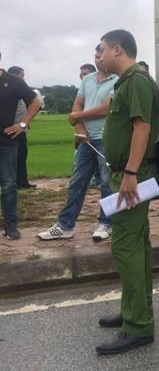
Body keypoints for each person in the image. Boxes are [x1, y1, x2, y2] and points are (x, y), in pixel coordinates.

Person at [95, 29, 159, 355]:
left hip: (132, 174)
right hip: (125, 172)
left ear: (118, 49)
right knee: (136, 246)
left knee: (126, 248)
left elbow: (142, 127)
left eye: (102, 50)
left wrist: (131, 173)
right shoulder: (127, 81)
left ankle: (137, 325)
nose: (99, 55)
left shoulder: (136, 81)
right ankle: (134, 310)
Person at [38, 45, 118, 242]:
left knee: (107, 182)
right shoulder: (88, 80)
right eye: (96, 56)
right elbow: (77, 103)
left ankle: (106, 223)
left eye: (102, 56)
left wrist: (76, 116)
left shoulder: (117, 80)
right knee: (77, 182)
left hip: (106, 138)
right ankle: (65, 225)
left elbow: (106, 108)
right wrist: (80, 128)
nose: (99, 60)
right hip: (86, 140)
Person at [0, 53, 41, 240]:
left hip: (6, 141)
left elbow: (35, 101)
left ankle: (10, 225)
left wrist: (22, 124)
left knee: (9, 185)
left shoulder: (13, 81)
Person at [7, 66, 41, 189]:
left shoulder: (18, 90)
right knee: (17, 157)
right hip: (14, 130)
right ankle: (19, 183)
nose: (23, 78)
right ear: (15, 76)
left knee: (21, 156)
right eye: (21, 75)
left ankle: (21, 181)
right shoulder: (11, 89)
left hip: (19, 128)